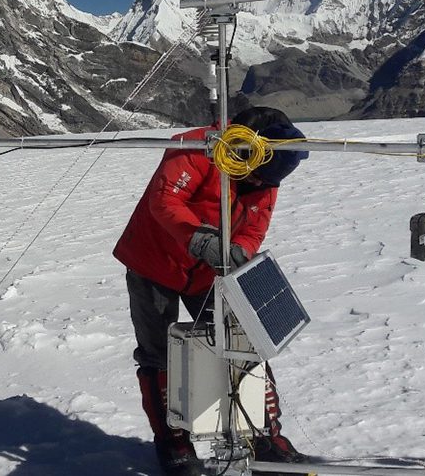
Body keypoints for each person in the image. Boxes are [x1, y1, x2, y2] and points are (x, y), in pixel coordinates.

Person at [112, 106, 308, 476]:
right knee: (158, 356)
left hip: (209, 272)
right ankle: (173, 441)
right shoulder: (198, 148)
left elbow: (256, 222)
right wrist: (199, 239)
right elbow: (165, 200)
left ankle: (263, 434)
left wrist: (242, 251)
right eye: (254, 178)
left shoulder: (268, 173)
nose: (259, 186)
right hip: (154, 261)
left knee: (244, 344)